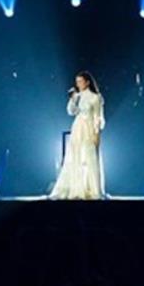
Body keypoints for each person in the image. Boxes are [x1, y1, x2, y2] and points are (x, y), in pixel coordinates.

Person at [49, 71, 106, 199]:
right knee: (74, 157)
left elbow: (98, 116)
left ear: (87, 82)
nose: (78, 84)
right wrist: (73, 99)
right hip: (78, 127)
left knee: (89, 158)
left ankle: (91, 189)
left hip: (89, 128)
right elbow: (71, 111)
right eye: (77, 82)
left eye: (80, 81)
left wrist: (96, 133)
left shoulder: (95, 97)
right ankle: (76, 188)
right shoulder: (78, 96)